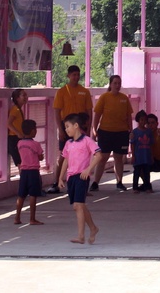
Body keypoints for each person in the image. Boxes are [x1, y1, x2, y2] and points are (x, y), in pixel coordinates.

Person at [57, 113, 102, 245]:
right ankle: (93, 228)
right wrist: (60, 178)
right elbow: (65, 160)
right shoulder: (68, 143)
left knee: (78, 205)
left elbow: (98, 155)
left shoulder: (87, 140)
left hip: (82, 176)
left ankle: (81, 236)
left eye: (67, 126)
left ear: (76, 126)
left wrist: (88, 169)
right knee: (79, 206)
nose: (66, 130)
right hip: (71, 177)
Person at [48, 65, 93, 193]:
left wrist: (89, 128)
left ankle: (82, 185)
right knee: (63, 155)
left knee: (82, 157)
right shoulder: (62, 91)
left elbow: (89, 111)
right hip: (66, 127)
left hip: (81, 127)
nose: (76, 77)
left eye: (78, 75)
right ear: (68, 76)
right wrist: (61, 130)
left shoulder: (85, 91)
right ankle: (56, 183)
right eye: (73, 75)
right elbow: (57, 112)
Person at [91, 74, 133, 192]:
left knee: (118, 158)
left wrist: (130, 130)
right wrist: (94, 129)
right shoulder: (104, 97)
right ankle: (95, 182)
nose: (117, 85)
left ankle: (119, 182)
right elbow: (97, 114)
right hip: (105, 132)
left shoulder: (124, 98)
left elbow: (129, 116)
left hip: (121, 132)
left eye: (119, 83)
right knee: (102, 157)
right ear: (110, 84)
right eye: (115, 83)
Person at [14, 119, 44, 225]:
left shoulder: (19, 143)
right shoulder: (35, 144)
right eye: (35, 129)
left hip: (23, 171)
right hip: (33, 171)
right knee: (33, 195)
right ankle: (32, 218)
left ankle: (17, 217)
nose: (36, 131)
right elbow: (40, 157)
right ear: (32, 131)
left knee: (21, 195)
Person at [130, 110, 154, 193]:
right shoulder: (135, 132)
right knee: (136, 172)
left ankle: (147, 187)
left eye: (144, 120)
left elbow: (151, 144)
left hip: (146, 156)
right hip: (138, 156)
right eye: (141, 120)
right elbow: (132, 144)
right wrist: (133, 155)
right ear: (138, 120)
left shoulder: (149, 132)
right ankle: (135, 188)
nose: (143, 122)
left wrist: (151, 155)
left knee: (147, 172)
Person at [7, 88, 28, 169]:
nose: (26, 97)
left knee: (22, 162)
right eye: (24, 95)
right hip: (14, 138)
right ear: (17, 98)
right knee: (20, 163)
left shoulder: (18, 109)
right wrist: (18, 133)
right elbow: (9, 124)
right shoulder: (15, 109)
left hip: (18, 138)